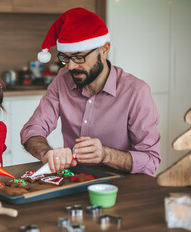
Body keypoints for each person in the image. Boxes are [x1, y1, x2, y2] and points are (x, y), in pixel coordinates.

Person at [20, 8, 161, 176]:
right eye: (65, 58)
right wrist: (46, 153)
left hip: (120, 188)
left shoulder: (136, 92)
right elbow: (32, 130)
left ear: (104, 49)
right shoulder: (62, 80)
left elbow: (151, 161)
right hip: (73, 180)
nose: (71, 66)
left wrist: (106, 155)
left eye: (79, 57)